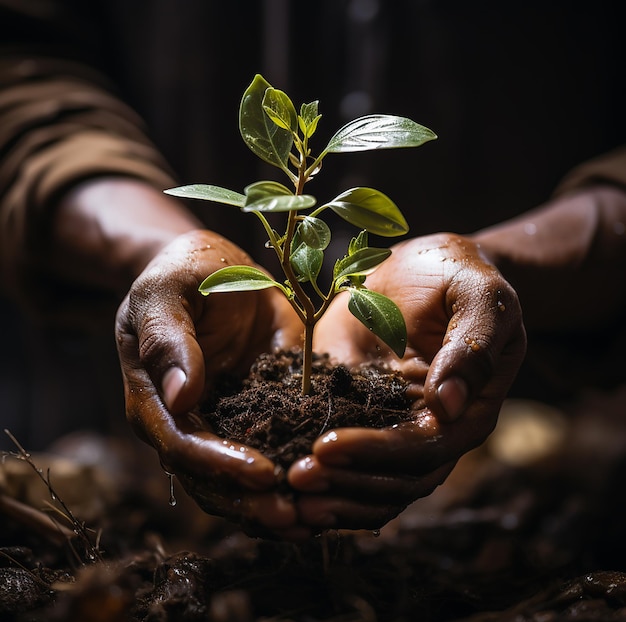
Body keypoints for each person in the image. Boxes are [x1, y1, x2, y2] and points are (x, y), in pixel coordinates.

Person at [1, 1, 625, 540]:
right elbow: (24, 66)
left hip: (559, 451)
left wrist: (505, 266)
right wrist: (157, 247)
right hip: (97, 440)